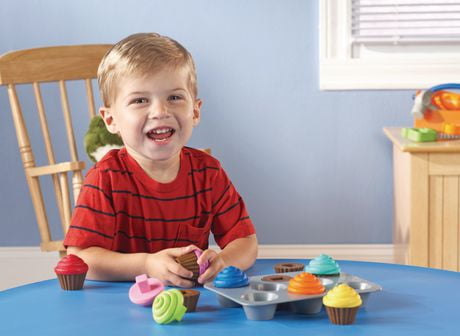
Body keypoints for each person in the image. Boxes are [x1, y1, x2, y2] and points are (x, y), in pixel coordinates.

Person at [64, 33, 258, 287]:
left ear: (195, 110)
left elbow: (246, 242)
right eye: (140, 100)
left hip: (192, 305)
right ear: (111, 120)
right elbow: (80, 257)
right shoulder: (105, 178)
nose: (160, 112)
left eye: (174, 97)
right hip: (123, 303)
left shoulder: (208, 172)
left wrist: (223, 260)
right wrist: (146, 264)